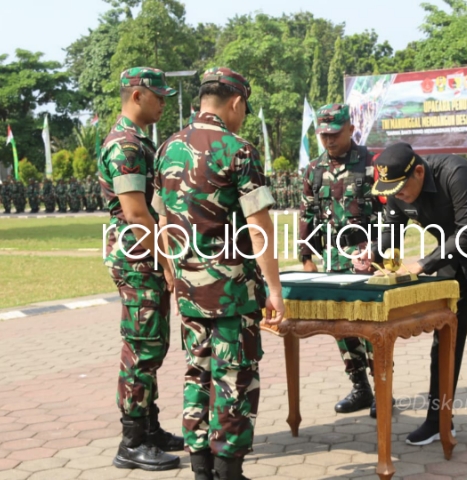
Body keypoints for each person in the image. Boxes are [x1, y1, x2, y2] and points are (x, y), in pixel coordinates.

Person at [154, 67, 285, 480]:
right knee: (234, 378)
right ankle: (228, 471)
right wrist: (275, 290)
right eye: (244, 108)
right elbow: (259, 226)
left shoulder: (167, 148)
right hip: (232, 293)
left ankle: (200, 470)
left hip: (189, 291)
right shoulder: (238, 150)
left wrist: (172, 268)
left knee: (198, 373)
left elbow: (161, 220)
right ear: (236, 102)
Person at [367, 142, 467, 451]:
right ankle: (437, 419)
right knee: (446, 337)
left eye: (400, 188)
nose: (397, 195)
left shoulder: (456, 172)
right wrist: (372, 252)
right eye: (390, 190)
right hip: (452, 259)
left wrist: (422, 264)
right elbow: (393, 229)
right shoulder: (399, 190)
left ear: (419, 172)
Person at [97, 67, 182, 472]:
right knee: (141, 348)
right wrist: (165, 259)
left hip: (142, 256)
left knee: (152, 344)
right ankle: (131, 442)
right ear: (136, 95)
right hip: (137, 257)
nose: (163, 102)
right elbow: (135, 213)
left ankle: (149, 428)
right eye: (158, 96)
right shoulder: (126, 146)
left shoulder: (137, 142)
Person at [298, 103, 387, 418]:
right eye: (323, 135)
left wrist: (380, 251)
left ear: (350, 128)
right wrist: (306, 257)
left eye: (335, 134)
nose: (329, 141)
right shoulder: (314, 169)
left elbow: (390, 213)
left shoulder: (372, 164)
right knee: (342, 327)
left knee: (372, 326)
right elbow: (308, 214)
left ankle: (383, 391)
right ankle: (360, 387)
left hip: (369, 260)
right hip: (333, 262)